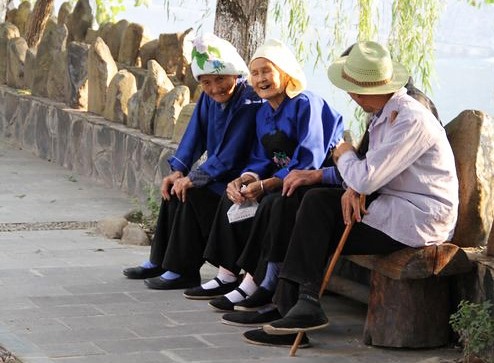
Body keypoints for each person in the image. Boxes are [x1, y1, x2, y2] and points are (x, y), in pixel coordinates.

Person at [241, 41, 459, 347]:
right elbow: (369, 171)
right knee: (305, 197)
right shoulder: (383, 113)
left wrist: (343, 153)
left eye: (354, 90)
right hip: (388, 204)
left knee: (317, 207)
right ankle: (290, 305)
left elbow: (365, 176)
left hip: (416, 219)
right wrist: (346, 181)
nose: (350, 97)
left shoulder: (410, 118)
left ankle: (300, 303)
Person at [182, 39, 345, 310]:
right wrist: (246, 178)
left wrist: (267, 184)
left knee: (271, 203)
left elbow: (309, 160)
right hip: (284, 178)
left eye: (266, 72)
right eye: (255, 73)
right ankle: (228, 274)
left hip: (313, 181)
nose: (260, 79)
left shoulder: (306, 104)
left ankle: (256, 282)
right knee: (233, 196)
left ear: (284, 72)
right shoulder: (264, 112)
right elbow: (260, 159)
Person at [122, 34, 262, 290]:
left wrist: (194, 178)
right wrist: (179, 170)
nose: (215, 87)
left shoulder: (248, 101)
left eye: (220, 79)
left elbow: (231, 153)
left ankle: (182, 269)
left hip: (241, 178)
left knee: (193, 192)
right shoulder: (208, 100)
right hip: (219, 175)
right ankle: (161, 260)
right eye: (206, 82)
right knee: (172, 190)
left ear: (235, 74)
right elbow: (194, 136)